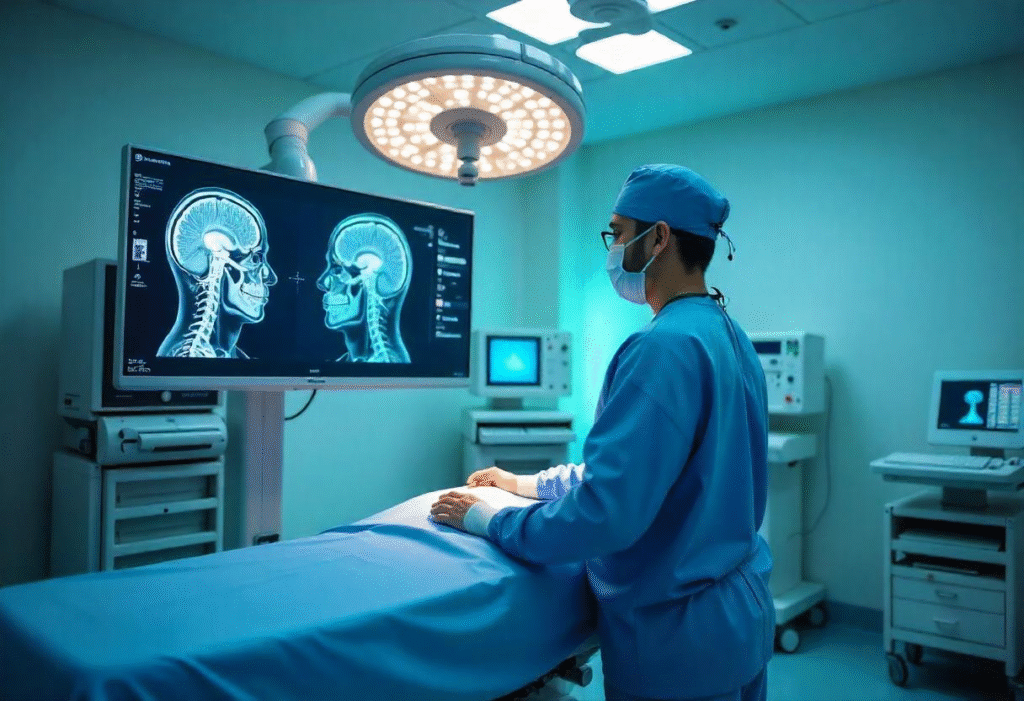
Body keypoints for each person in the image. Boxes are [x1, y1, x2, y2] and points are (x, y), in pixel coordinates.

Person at [430, 164, 774, 701]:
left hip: (675, 640)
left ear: (658, 237)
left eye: (617, 232)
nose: (612, 247)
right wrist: (524, 485)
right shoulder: (730, 337)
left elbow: (606, 512)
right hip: (737, 620)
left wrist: (490, 519)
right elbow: (648, 473)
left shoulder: (661, 349)